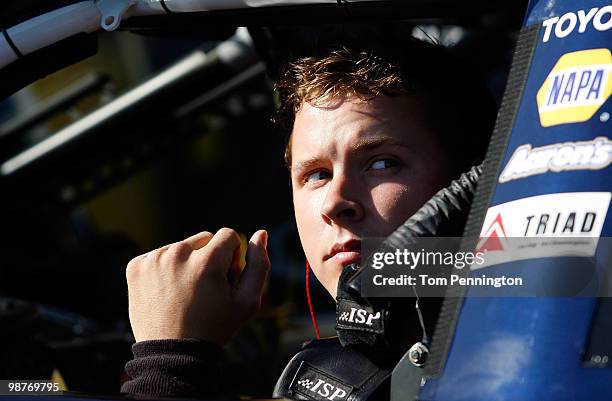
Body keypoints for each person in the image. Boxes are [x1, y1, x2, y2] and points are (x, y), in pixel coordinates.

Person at [121, 37, 495, 399]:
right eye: (317, 174)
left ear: (470, 180)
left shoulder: (523, 361)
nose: (334, 203)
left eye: (382, 164)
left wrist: (168, 365)